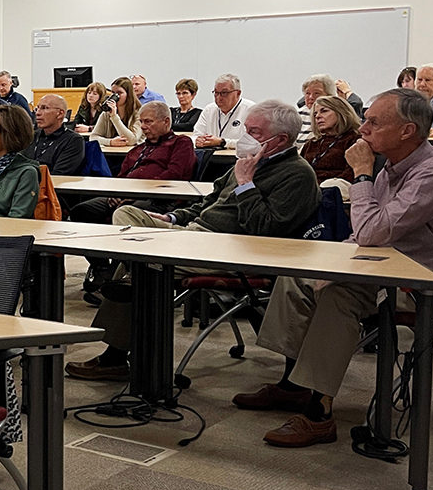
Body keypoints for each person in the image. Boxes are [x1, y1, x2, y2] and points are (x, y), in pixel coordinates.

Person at [234, 89, 433, 447]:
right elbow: (361, 235)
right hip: (393, 272)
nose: (363, 128)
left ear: (407, 131)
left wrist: (363, 174)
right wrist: (327, 262)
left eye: (373, 122)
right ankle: (294, 382)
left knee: (341, 294)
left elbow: (372, 232)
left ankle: (318, 413)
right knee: (298, 274)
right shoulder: (394, 168)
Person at [67, 101, 320, 380]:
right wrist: (173, 218)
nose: (246, 137)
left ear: (280, 140)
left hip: (233, 249)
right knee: (127, 215)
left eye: (254, 132)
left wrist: (246, 184)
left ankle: (117, 352)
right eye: (246, 129)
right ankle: (132, 270)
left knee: (142, 262)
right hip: (193, 233)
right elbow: (207, 205)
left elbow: (266, 230)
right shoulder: (247, 163)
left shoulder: (297, 174)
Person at [69, 102, 196, 225]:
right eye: (141, 122)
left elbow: (174, 174)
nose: (143, 126)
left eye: (148, 121)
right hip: (126, 194)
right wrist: (116, 193)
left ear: (166, 122)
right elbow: (121, 176)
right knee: (80, 210)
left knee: (124, 212)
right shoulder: (138, 149)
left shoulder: (181, 143)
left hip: (159, 198)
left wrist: (136, 193)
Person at [300, 95, 362, 184]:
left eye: (324, 111)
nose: (317, 116)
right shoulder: (312, 144)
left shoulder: (354, 140)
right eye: (315, 114)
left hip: (336, 188)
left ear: (341, 112)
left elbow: (352, 174)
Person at [192, 73, 255, 149]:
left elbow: (253, 143)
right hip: (210, 158)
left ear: (238, 93)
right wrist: (199, 141)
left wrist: (223, 142)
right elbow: (195, 137)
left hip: (238, 158)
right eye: (216, 93)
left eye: (224, 93)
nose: (218, 98)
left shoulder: (251, 110)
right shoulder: (209, 110)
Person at [29, 94, 85, 175]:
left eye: (44, 108)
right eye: (37, 108)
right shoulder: (31, 136)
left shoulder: (73, 141)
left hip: (52, 185)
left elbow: (60, 174)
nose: (37, 113)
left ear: (60, 113)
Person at [91, 76, 139, 147]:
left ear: (128, 94)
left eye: (119, 93)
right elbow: (93, 137)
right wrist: (110, 142)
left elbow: (131, 140)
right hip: (111, 154)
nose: (115, 96)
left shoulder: (139, 113)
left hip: (133, 155)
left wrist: (114, 117)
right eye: (113, 93)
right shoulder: (106, 114)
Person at [295, 74, 336, 142]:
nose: (311, 97)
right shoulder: (297, 115)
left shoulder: (335, 115)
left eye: (317, 93)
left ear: (329, 95)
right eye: (307, 93)